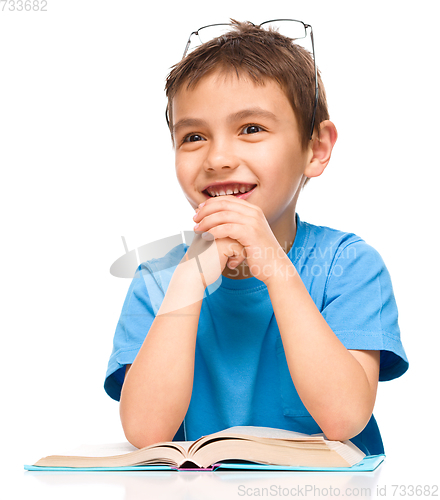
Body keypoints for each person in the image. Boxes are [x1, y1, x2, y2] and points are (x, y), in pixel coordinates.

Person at [104, 20, 408, 456]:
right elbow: (145, 433)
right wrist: (188, 281)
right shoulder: (157, 279)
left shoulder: (349, 264)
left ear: (316, 149)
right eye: (193, 136)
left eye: (251, 129)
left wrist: (276, 269)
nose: (218, 158)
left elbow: (344, 417)